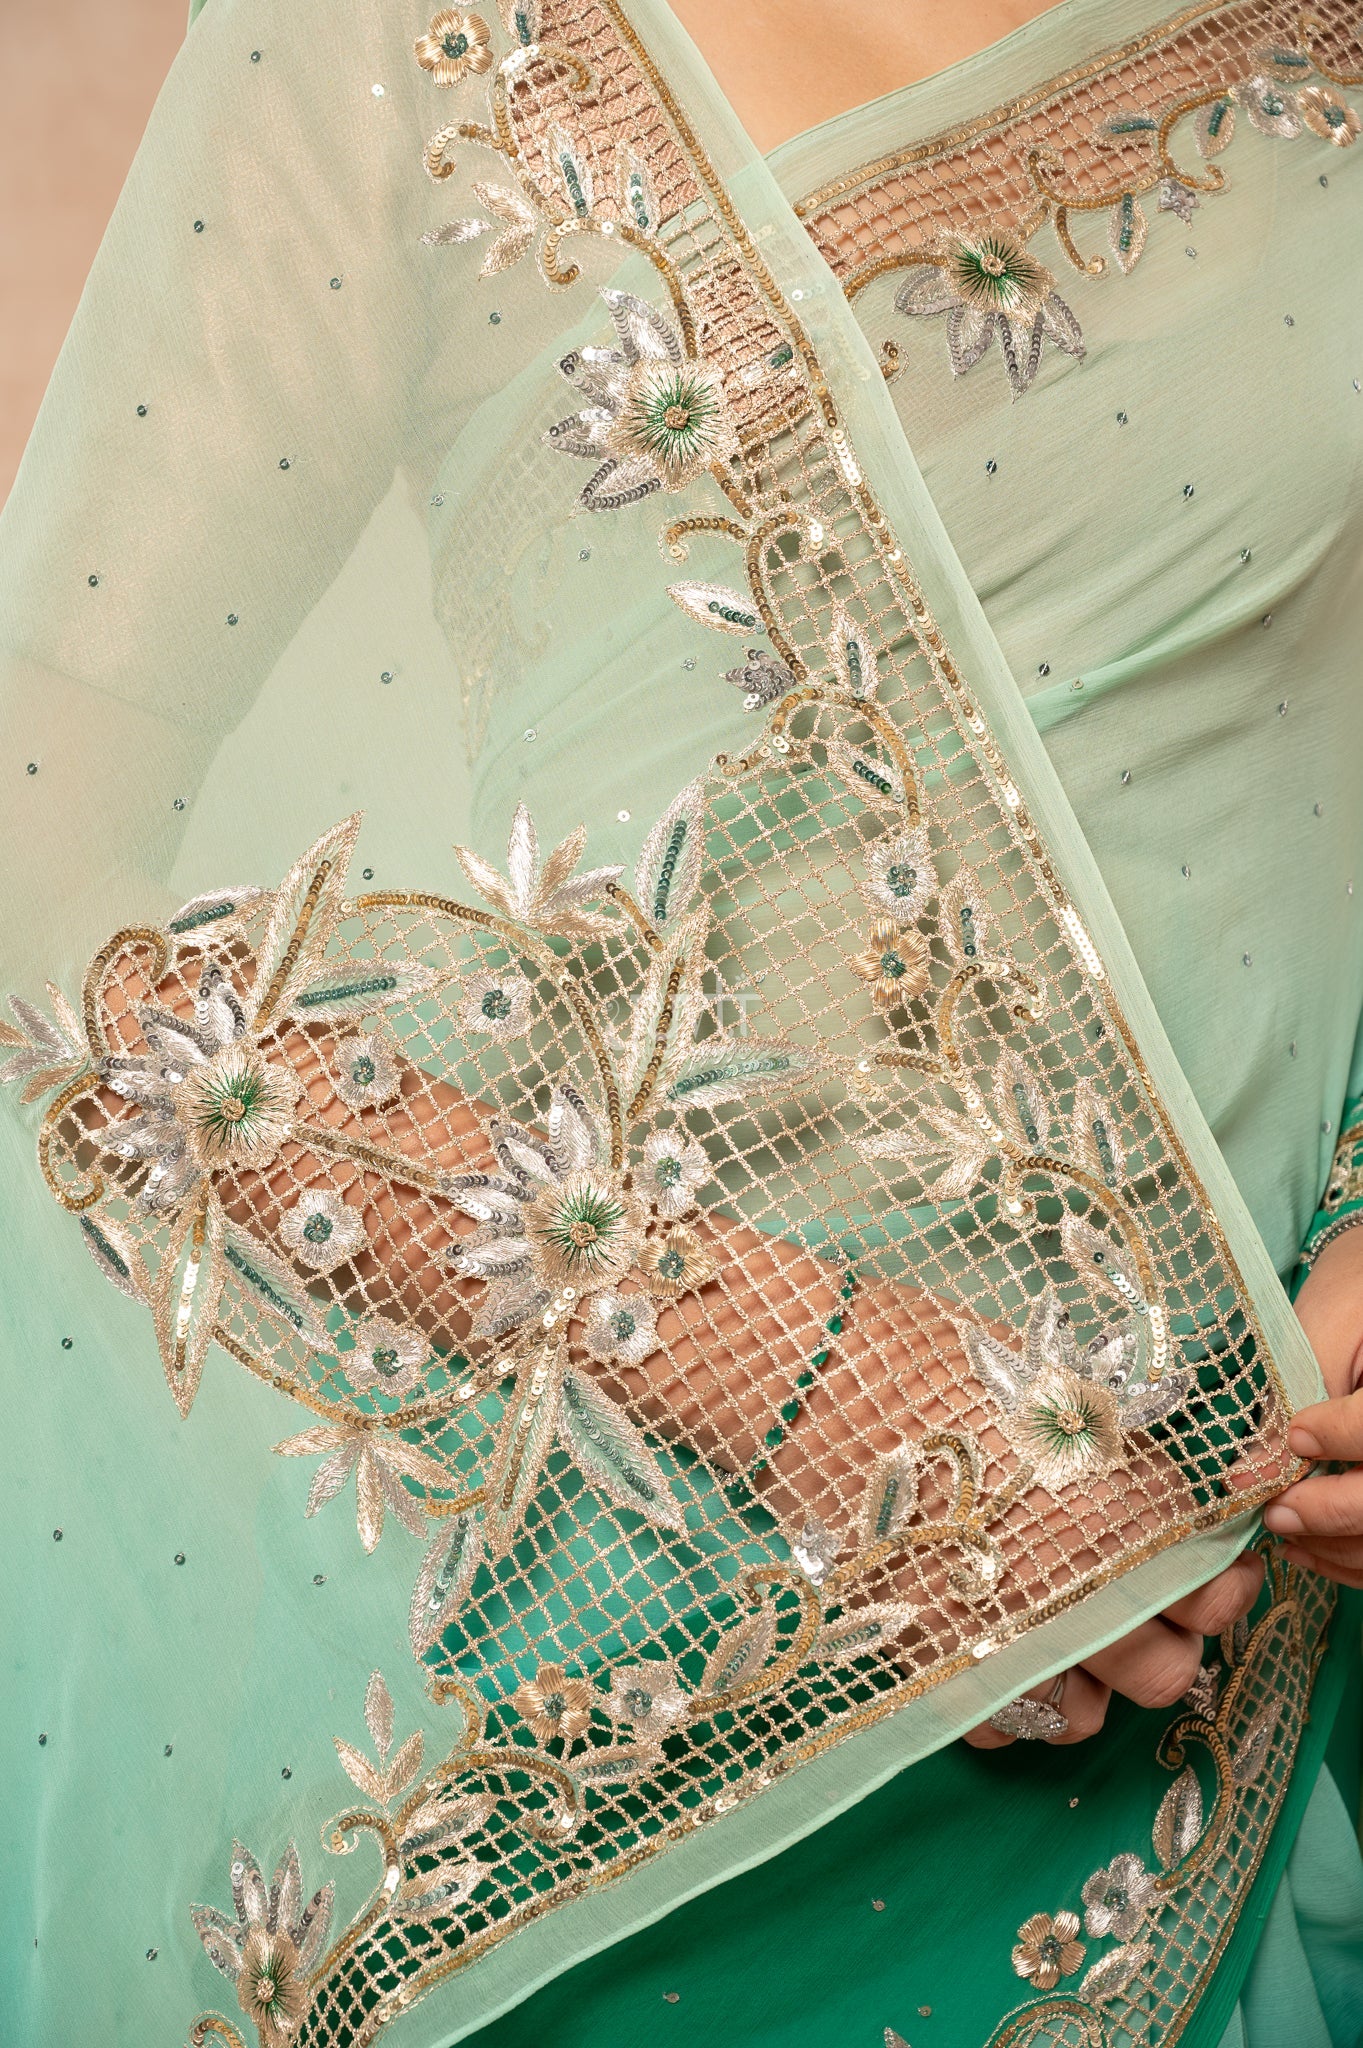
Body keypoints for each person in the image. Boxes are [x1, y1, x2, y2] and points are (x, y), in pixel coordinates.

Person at [2, 2, 1362, 2044]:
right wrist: (798, 1378)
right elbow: (31, 861)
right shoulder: (403, 35)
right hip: (659, 1630)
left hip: (1263, 1575)